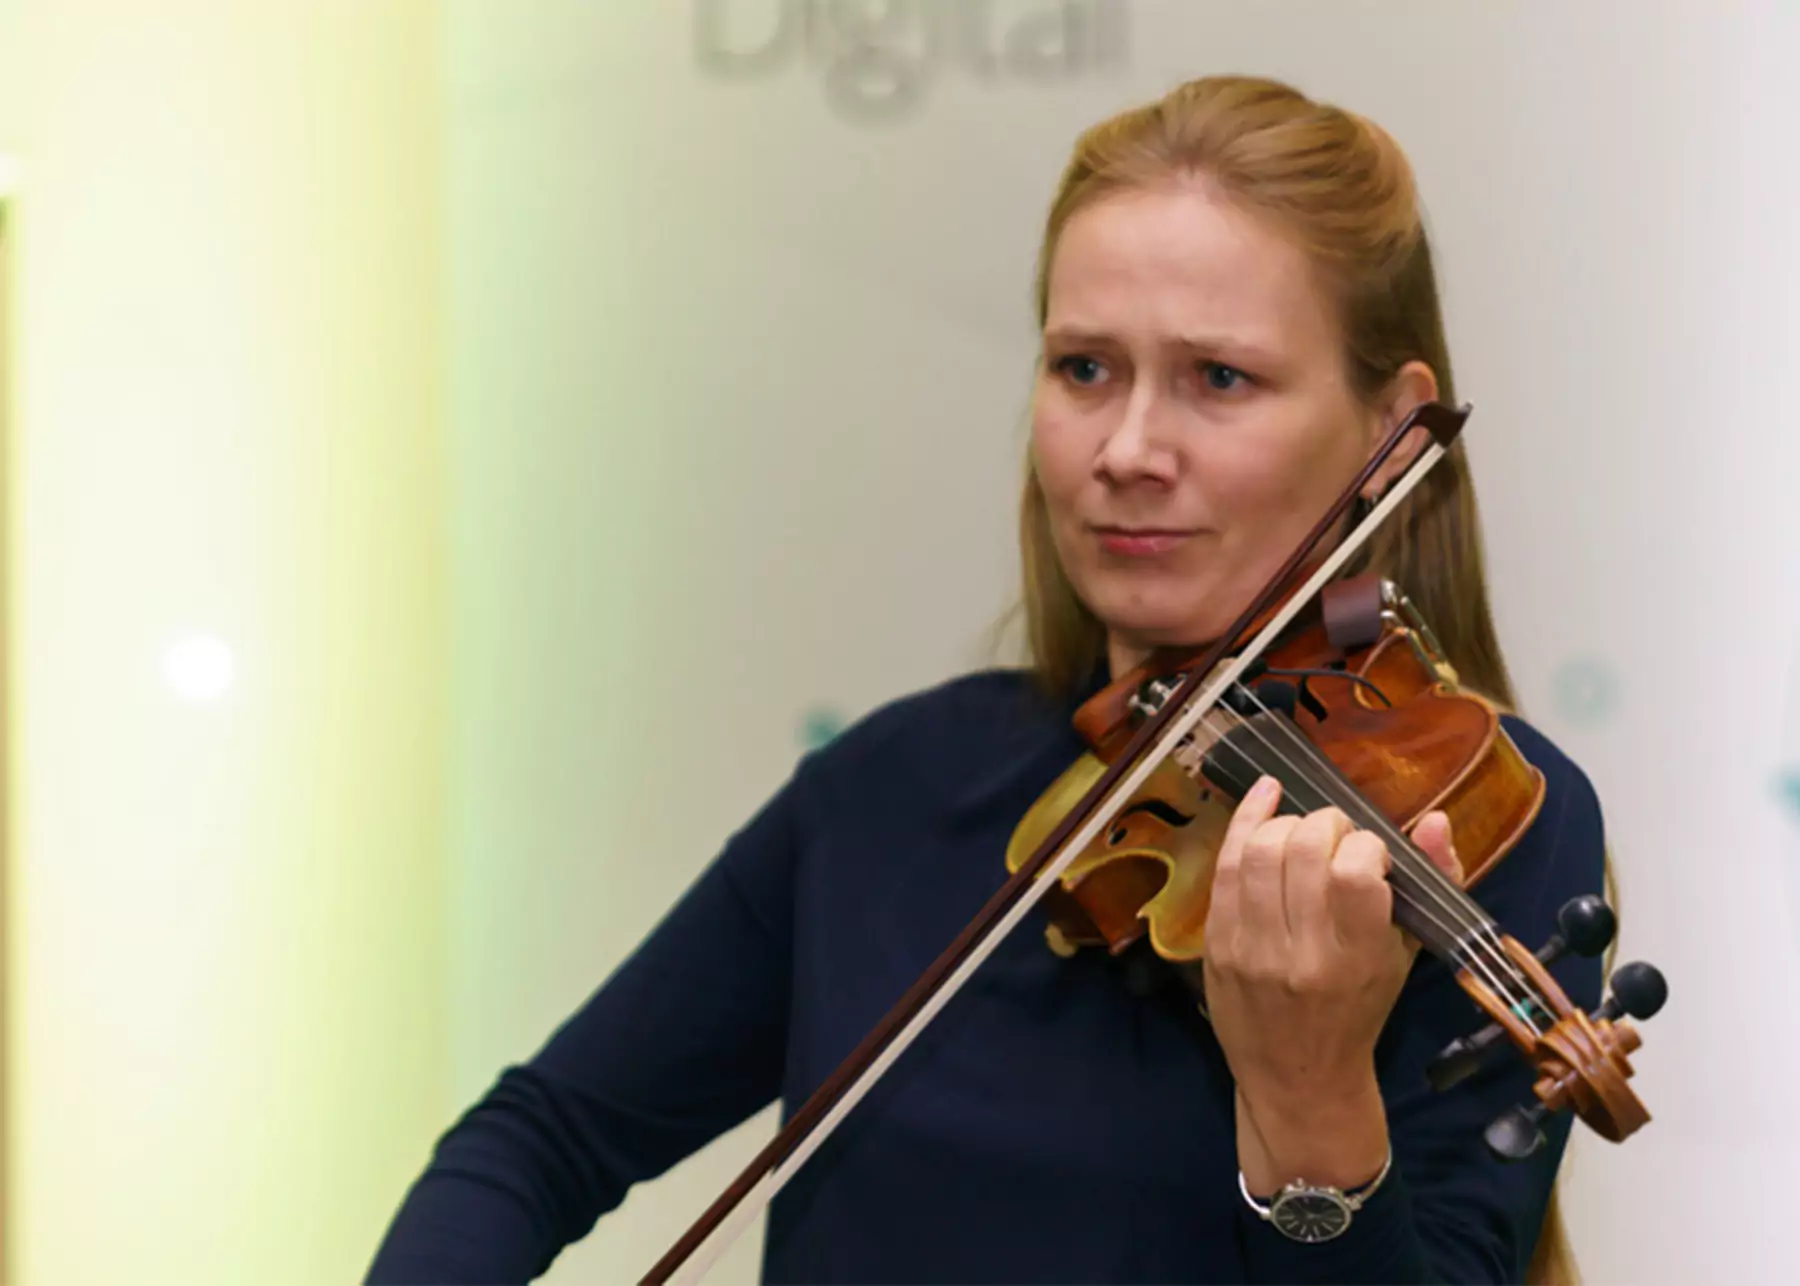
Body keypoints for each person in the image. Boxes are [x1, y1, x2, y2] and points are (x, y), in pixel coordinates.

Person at [366, 74, 1612, 1285]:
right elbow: (536, 1140)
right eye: (1084, 368)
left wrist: (1307, 1095)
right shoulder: (896, 780)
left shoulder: (1473, 817)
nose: (1126, 449)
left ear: (1395, 431)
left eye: (1217, 378)